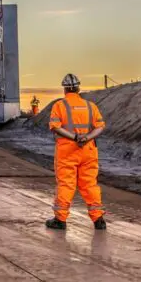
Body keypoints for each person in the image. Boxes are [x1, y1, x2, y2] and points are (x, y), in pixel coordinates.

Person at [46, 73, 107, 230]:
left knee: (66, 184)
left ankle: (60, 219)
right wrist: (86, 137)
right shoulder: (90, 106)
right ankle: (98, 219)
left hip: (67, 151)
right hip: (88, 151)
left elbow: (55, 127)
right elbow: (100, 127)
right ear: (78, 88)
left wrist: (74, 137)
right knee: (90, 185)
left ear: (65, 90)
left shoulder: (59, 106)